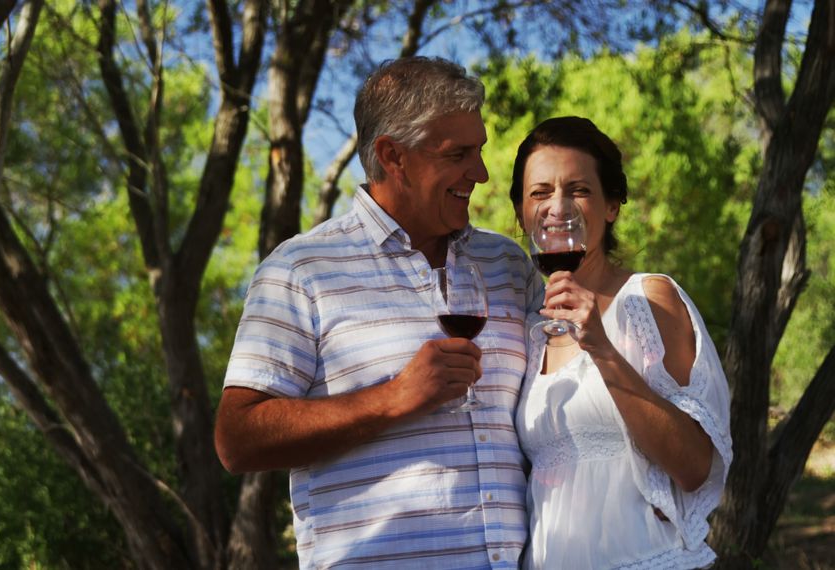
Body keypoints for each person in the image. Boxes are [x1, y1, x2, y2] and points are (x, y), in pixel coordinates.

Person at [215, 56, 544, 568]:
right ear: (394, 156)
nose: (479, 173)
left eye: (478, 151)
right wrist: (393, 398)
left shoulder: (508, 265)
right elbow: (237, 440)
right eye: (457, 154)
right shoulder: (302, 270)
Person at [510, 116, 732, 568]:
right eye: (540, 192)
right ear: (521, 213)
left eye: (579, 189)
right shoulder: (527, 329)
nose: (558, 206)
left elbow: (694, 468)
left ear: (611, 205)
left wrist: (604, 350)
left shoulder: (649, 300)